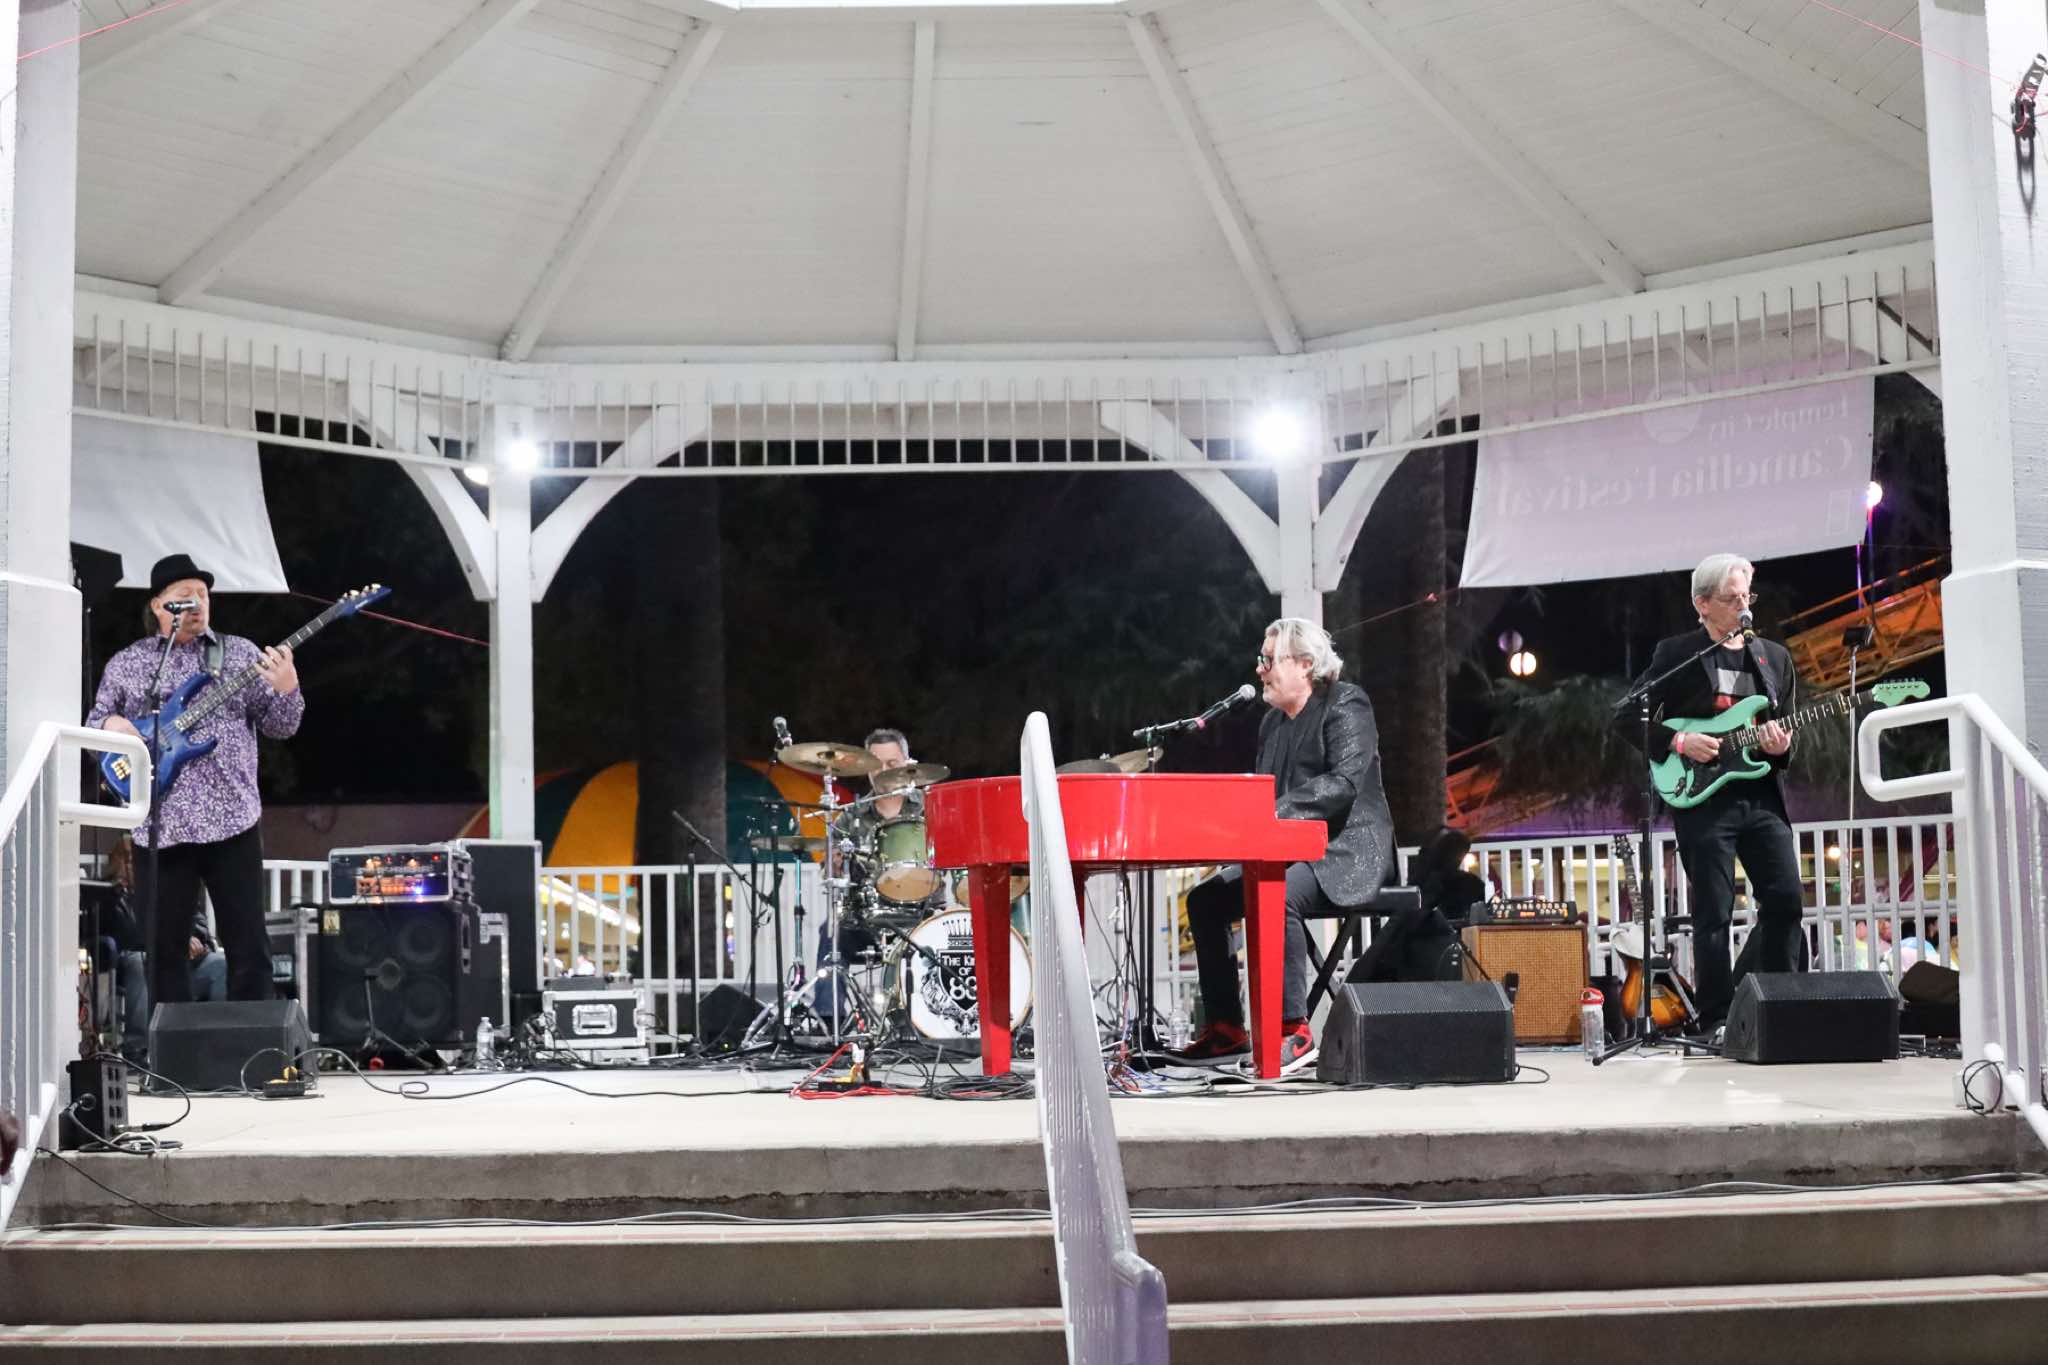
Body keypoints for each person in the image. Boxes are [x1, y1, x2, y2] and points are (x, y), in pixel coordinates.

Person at [1175, 618, 1396, 1072]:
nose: (1260, 669)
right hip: (1288, 851)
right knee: (1205, 900)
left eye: (1269, 659)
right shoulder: (1273, 723)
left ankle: (1293, 1030)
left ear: (1305, 665)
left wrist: (1270, 814)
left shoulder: (1346, 702)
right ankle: (1226, 1028)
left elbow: (1343, 783)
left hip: (1346, 851)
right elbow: (1264, 795)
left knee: (1277, 895)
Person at [87, 553, 303, 1009]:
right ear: (158, 605)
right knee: (164, 951)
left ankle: (254, 1044)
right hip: (161, 824)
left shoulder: (238, 654)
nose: (198, 603)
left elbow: (281, 727)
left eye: (203, 594)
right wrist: (112, 726)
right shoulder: (130, 663)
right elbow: (94, 725)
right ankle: (171, 1049)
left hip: (232, 820)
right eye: (185, 596)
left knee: (249, 945)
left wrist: (287, 689)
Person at [1618, 552, 1804, 1035]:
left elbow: (1784, 733)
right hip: (1704, 799)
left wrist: (1781, 747)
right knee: (1714, 912)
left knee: (1785, 900)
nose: (1744, 606)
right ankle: (1716, 1017)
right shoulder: (1677, 653)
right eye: (1731, 598)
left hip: (1761, 797)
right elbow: (1626, 716)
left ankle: (1779, 1006)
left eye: (1747, 596)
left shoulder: (1773, 658)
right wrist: (1679, 741)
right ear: (1702, 604)